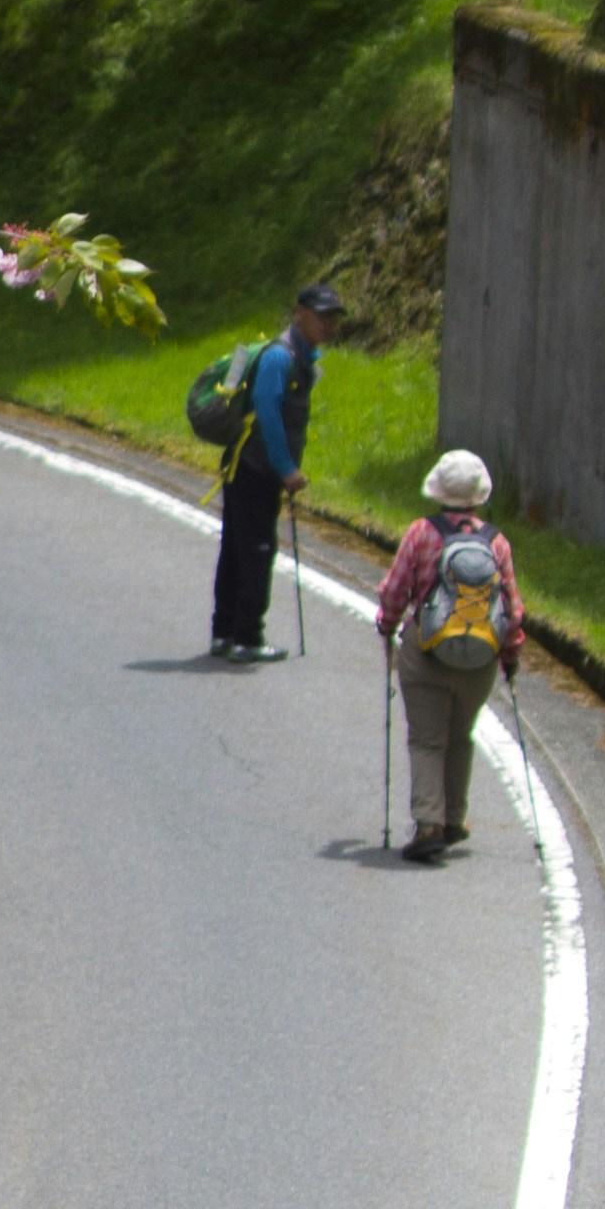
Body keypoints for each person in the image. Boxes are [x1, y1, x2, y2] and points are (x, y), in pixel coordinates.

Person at [376, 450, 524, 860]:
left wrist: (387, 628)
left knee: (426, 740)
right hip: (479, 659)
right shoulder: (496, 542)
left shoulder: (421, 534)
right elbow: (511, 609)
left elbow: (393, 591)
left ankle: (428, 824)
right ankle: (455, 817)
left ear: (438, 491)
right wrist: (510, 657)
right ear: (479, 495)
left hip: (425, 653)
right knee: (460, 736)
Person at [211, 282, 344, 661]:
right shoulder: (280, 358)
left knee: (237, 549)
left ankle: (224, 633)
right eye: (321, 316)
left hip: (247, 466)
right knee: (256, 550)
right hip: (254, 469)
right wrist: (287, 469)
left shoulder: (300, 358)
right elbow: (268, 413)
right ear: (299, 313)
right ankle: (247, 638)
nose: (327, 325)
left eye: (332, 318)